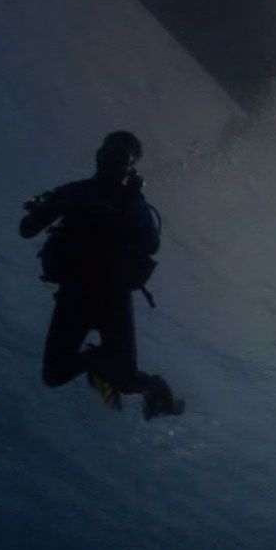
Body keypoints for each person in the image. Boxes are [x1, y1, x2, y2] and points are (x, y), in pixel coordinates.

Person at [20, 130, 184, 419]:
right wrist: (59, 204)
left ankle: (152, 387)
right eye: (109, 153)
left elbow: (152, 243)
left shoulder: (132, 201)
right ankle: (98, 362)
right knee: (54, 374)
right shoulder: (74, 191)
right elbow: (27, 228)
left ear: (130, 167)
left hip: (112, 295)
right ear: (99, 156)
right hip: (76, 293)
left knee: (126, 378)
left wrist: (131, 202)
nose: (112, 161)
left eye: (121, 157)